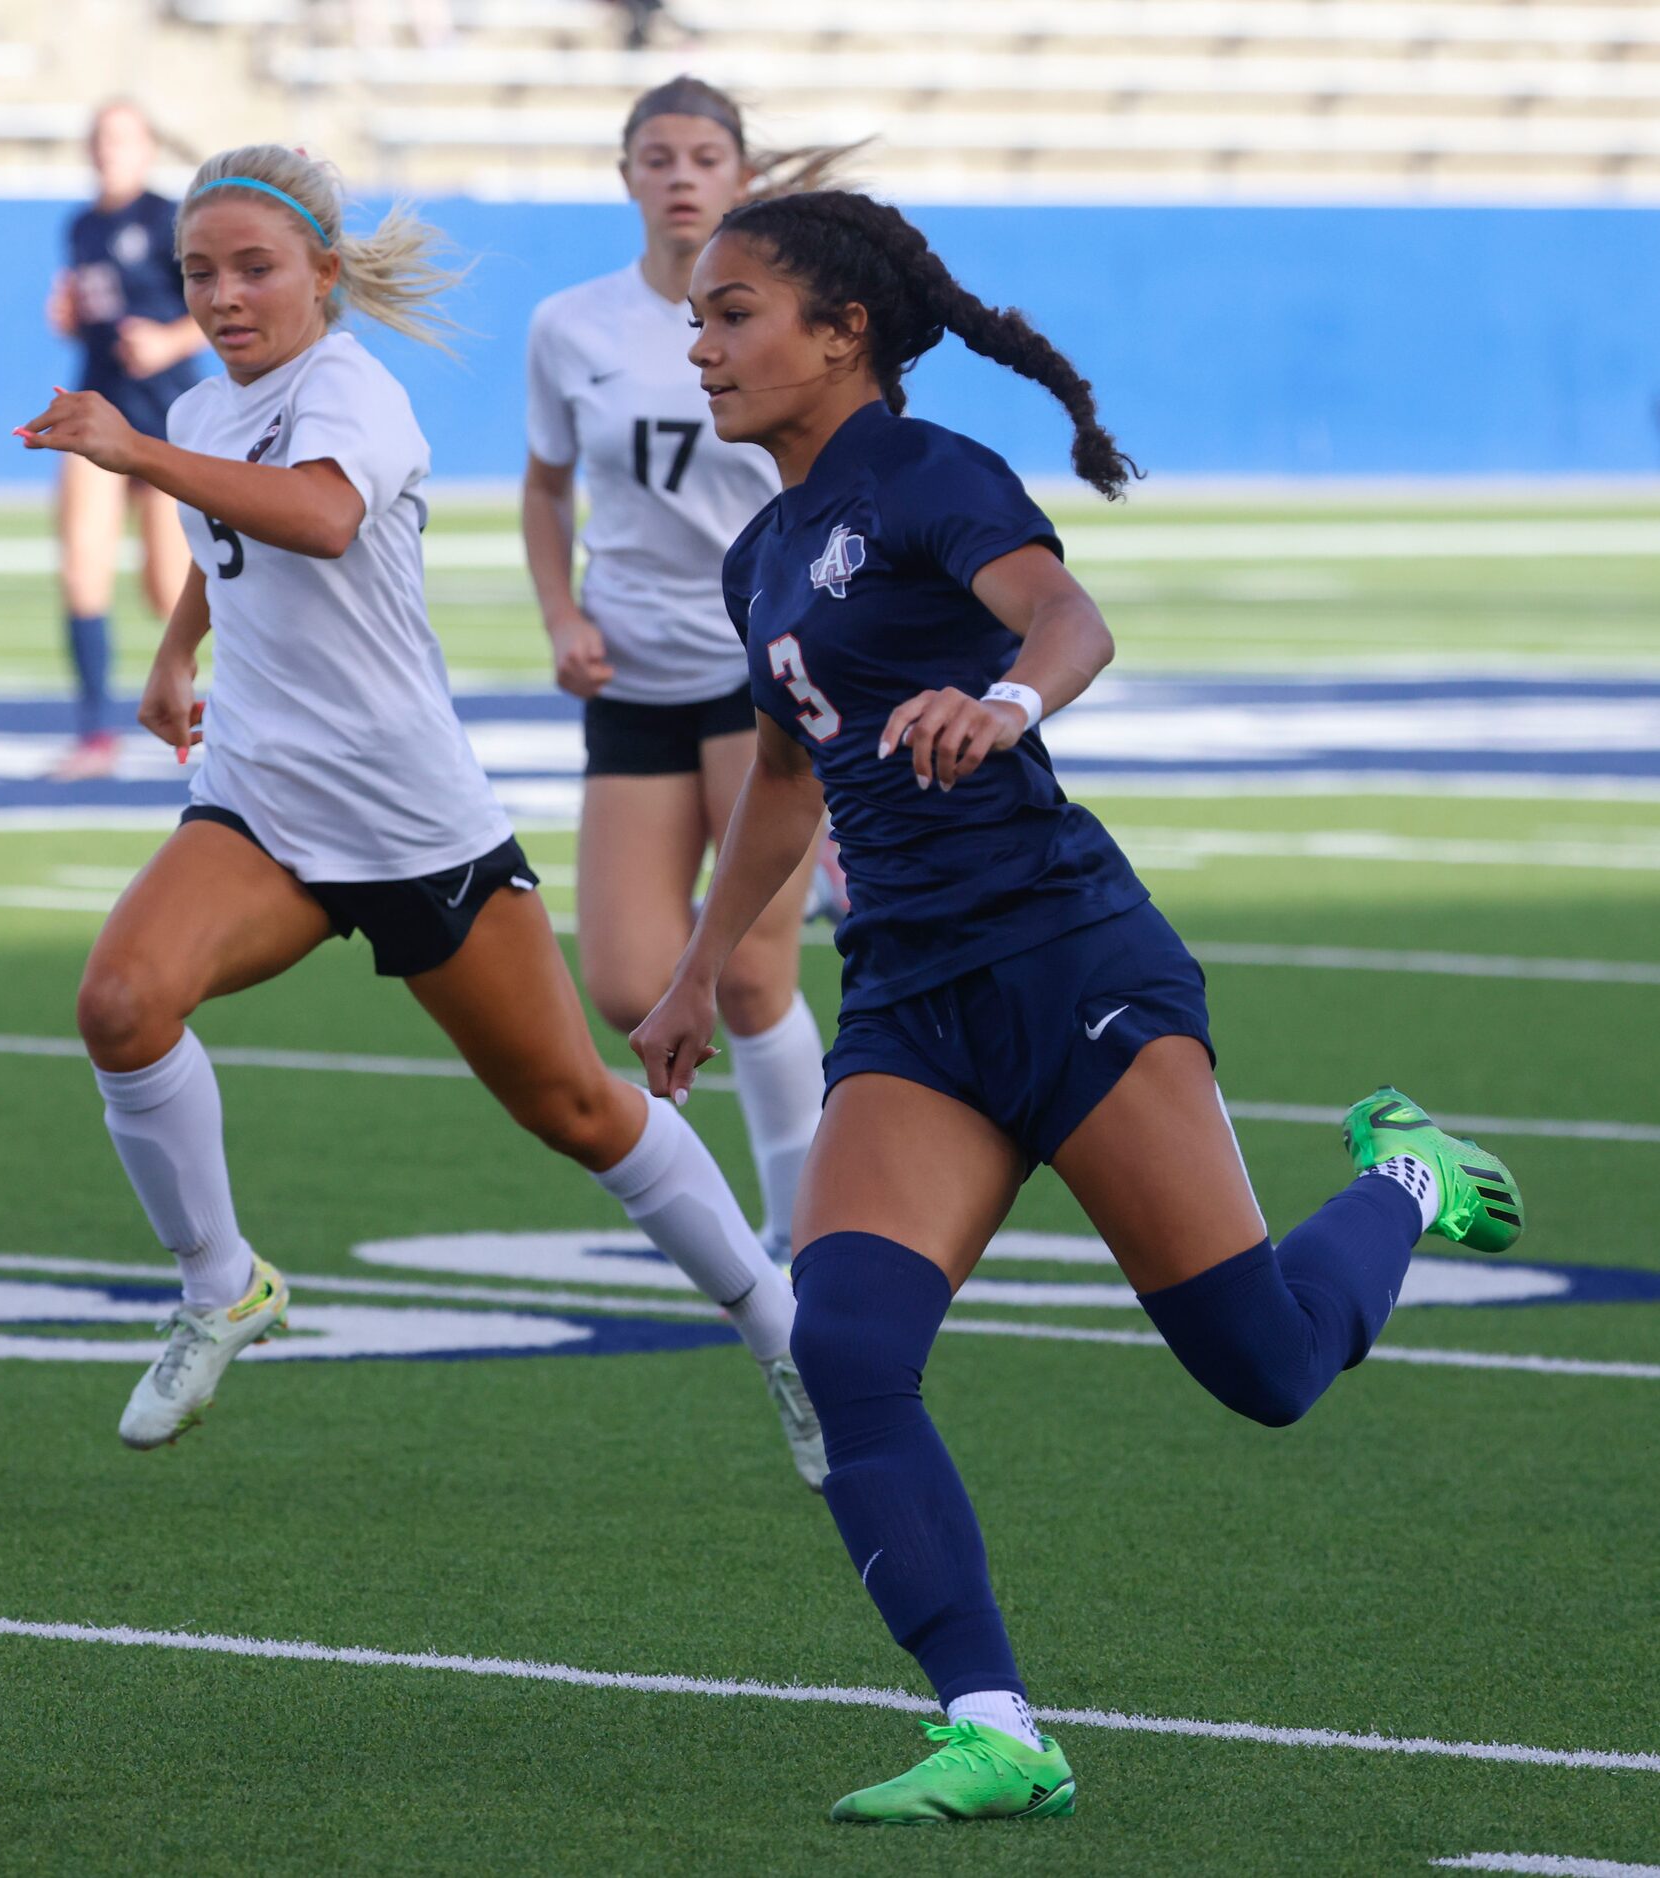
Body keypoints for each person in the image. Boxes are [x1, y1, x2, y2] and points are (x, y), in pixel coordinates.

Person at [631, 188, 1526, 1825]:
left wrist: (1007, 696)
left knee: (1265, 1364)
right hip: (907, 994)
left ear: (843, 334)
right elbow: (784, 764)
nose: (702, 343)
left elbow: (1069, 614)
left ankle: (1412, 1176)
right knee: (846, 1348)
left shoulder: (929, 472)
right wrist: (700, 967)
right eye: (698, 314)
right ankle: (995, 1722)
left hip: (1067, 960)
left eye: (734, 310)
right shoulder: (758, 549)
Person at [15, 143, 826, 1487]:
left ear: (324, 274)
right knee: (120, 1003)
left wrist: (135, 450)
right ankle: (221, 1281)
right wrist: (175, 649)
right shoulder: (216, 412)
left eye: (253, 267)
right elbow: (241, 541)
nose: (222, 296)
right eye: (198, 272)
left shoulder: (353, 389)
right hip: (262, 804)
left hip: (409, 823)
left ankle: (776, 1318)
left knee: (574, 1104)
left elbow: (321, 517)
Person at [522, 78, 851, 1264]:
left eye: (702, 155)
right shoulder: (572, 324)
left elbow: (829, 486)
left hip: (751, 673)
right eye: (654, 155)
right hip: (631, 671)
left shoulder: (783, 320)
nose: (677, 174)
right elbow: (547, 484)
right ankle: (766, 1220)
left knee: (755, 975)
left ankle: (805, 1232)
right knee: (622, 981)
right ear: (625, 177)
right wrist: (560, 612)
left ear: (741, 178)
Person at [44, 100, 211, 782]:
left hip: (167, 416)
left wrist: (168, 341)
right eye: (100, 138)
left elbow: (216, 305)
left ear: (147, 149)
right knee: (81, 569)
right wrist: (70, 320)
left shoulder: (171, 218)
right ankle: (93, 734)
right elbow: (93, 316)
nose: (108, 150)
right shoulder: (81, 225)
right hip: (99, 410)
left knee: (167, 589)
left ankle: (206, 715)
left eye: (122, 138)